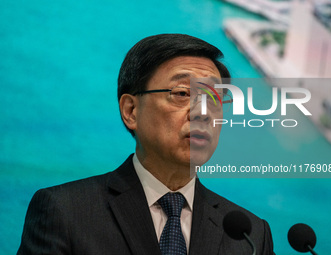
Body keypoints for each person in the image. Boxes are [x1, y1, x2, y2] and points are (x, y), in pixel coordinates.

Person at [17, 34, 275, 255]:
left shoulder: (249, 235)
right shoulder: (65, 211)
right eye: (183, 93)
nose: (204, 113)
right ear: (131, 110)